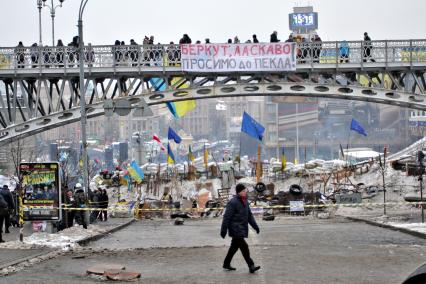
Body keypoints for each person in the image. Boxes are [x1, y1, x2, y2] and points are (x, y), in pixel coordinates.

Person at [220, 183, 260, 273]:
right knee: (244, 247)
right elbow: (227, 217)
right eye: (243, 190)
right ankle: (251, 265)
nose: (245, 191)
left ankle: (226, 264)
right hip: (236, 229)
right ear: (238, 192)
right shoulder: (233, 202)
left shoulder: (245, 201)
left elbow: (249, 216)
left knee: (234, 247)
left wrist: (255, 226)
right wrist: (223, 230)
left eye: (245, 190)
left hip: (241, 228)